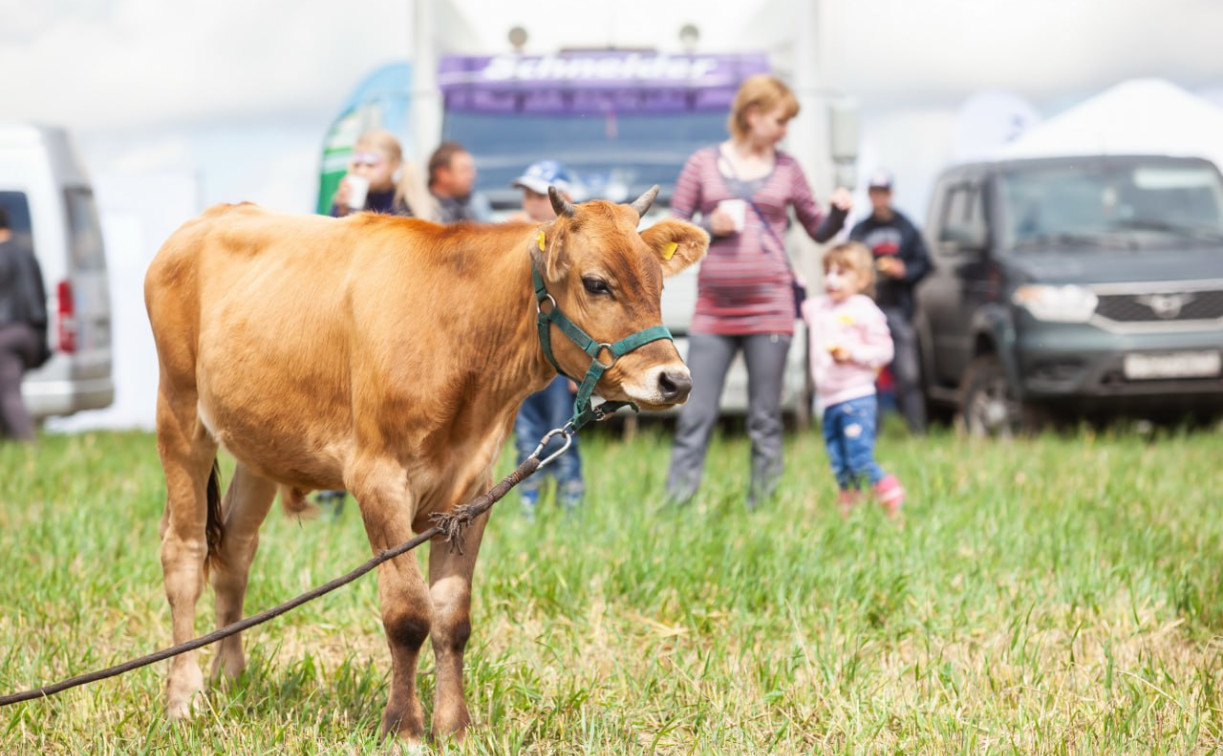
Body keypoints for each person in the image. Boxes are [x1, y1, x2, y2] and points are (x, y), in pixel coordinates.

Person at [665, 73, 853, 509]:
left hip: (771, 309)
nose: (785, 129)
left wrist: (839, 214)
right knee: (696, 413)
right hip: (713, 311)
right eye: (780, 119)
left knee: (765, 417)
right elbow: (672, 228)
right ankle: (676, 503)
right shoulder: (702, 164)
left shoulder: (788, 168)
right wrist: (710, 225)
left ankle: (762, 505)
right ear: (752, 116)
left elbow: (817, 228)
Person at [802, 241, 905, 518]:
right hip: (829, 399)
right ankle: (851, 507)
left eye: (841, 273)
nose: (831, 279)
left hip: (856, 397)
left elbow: (885, 351)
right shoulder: (820, 307)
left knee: (859, 457)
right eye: (828, 272)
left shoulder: (864, 309)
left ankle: (891, 494)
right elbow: (799, 302)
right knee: (839, 460)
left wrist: (853, 354)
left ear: (862, 279)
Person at [509, 160, 585, 518]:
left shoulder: (575, 247)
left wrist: (576, 371)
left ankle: (571, 509)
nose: (530, 201)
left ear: (563, 198)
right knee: (525, 437)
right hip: (523, 361)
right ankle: (529, 509)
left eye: (540, 194)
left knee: (562, 434)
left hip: (557, 364)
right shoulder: (514, 239)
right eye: (527, 193)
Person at [848, 169, 932, 434]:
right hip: (868, 309)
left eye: (884, 193)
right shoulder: (860, 230)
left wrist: (904, 270)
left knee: (907, 373)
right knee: (867, 374)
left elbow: (925, 263)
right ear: (869, 195)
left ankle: (917, 431)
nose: (879, 199)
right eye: (875, 193)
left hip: (899, 308)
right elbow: (848, 264)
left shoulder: (906, 227)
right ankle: (873, 430)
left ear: (891, 194)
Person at [0, 208, 50, 442]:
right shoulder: (27, 255)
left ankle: (29, 445)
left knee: (9, 392)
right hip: (31, 334)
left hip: (5, 337)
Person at [329, 128, 435, 220]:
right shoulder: (347, 201)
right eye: (357, 165)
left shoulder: (405, 206)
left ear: (395, 165)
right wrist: (341, 211)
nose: (361, 171)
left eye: (370, 165)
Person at [427, 141, 492, 223]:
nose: (472, 176)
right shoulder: (423, 211)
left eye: (471, 170)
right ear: (442, 173)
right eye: (464, 170)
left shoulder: (472, 203)